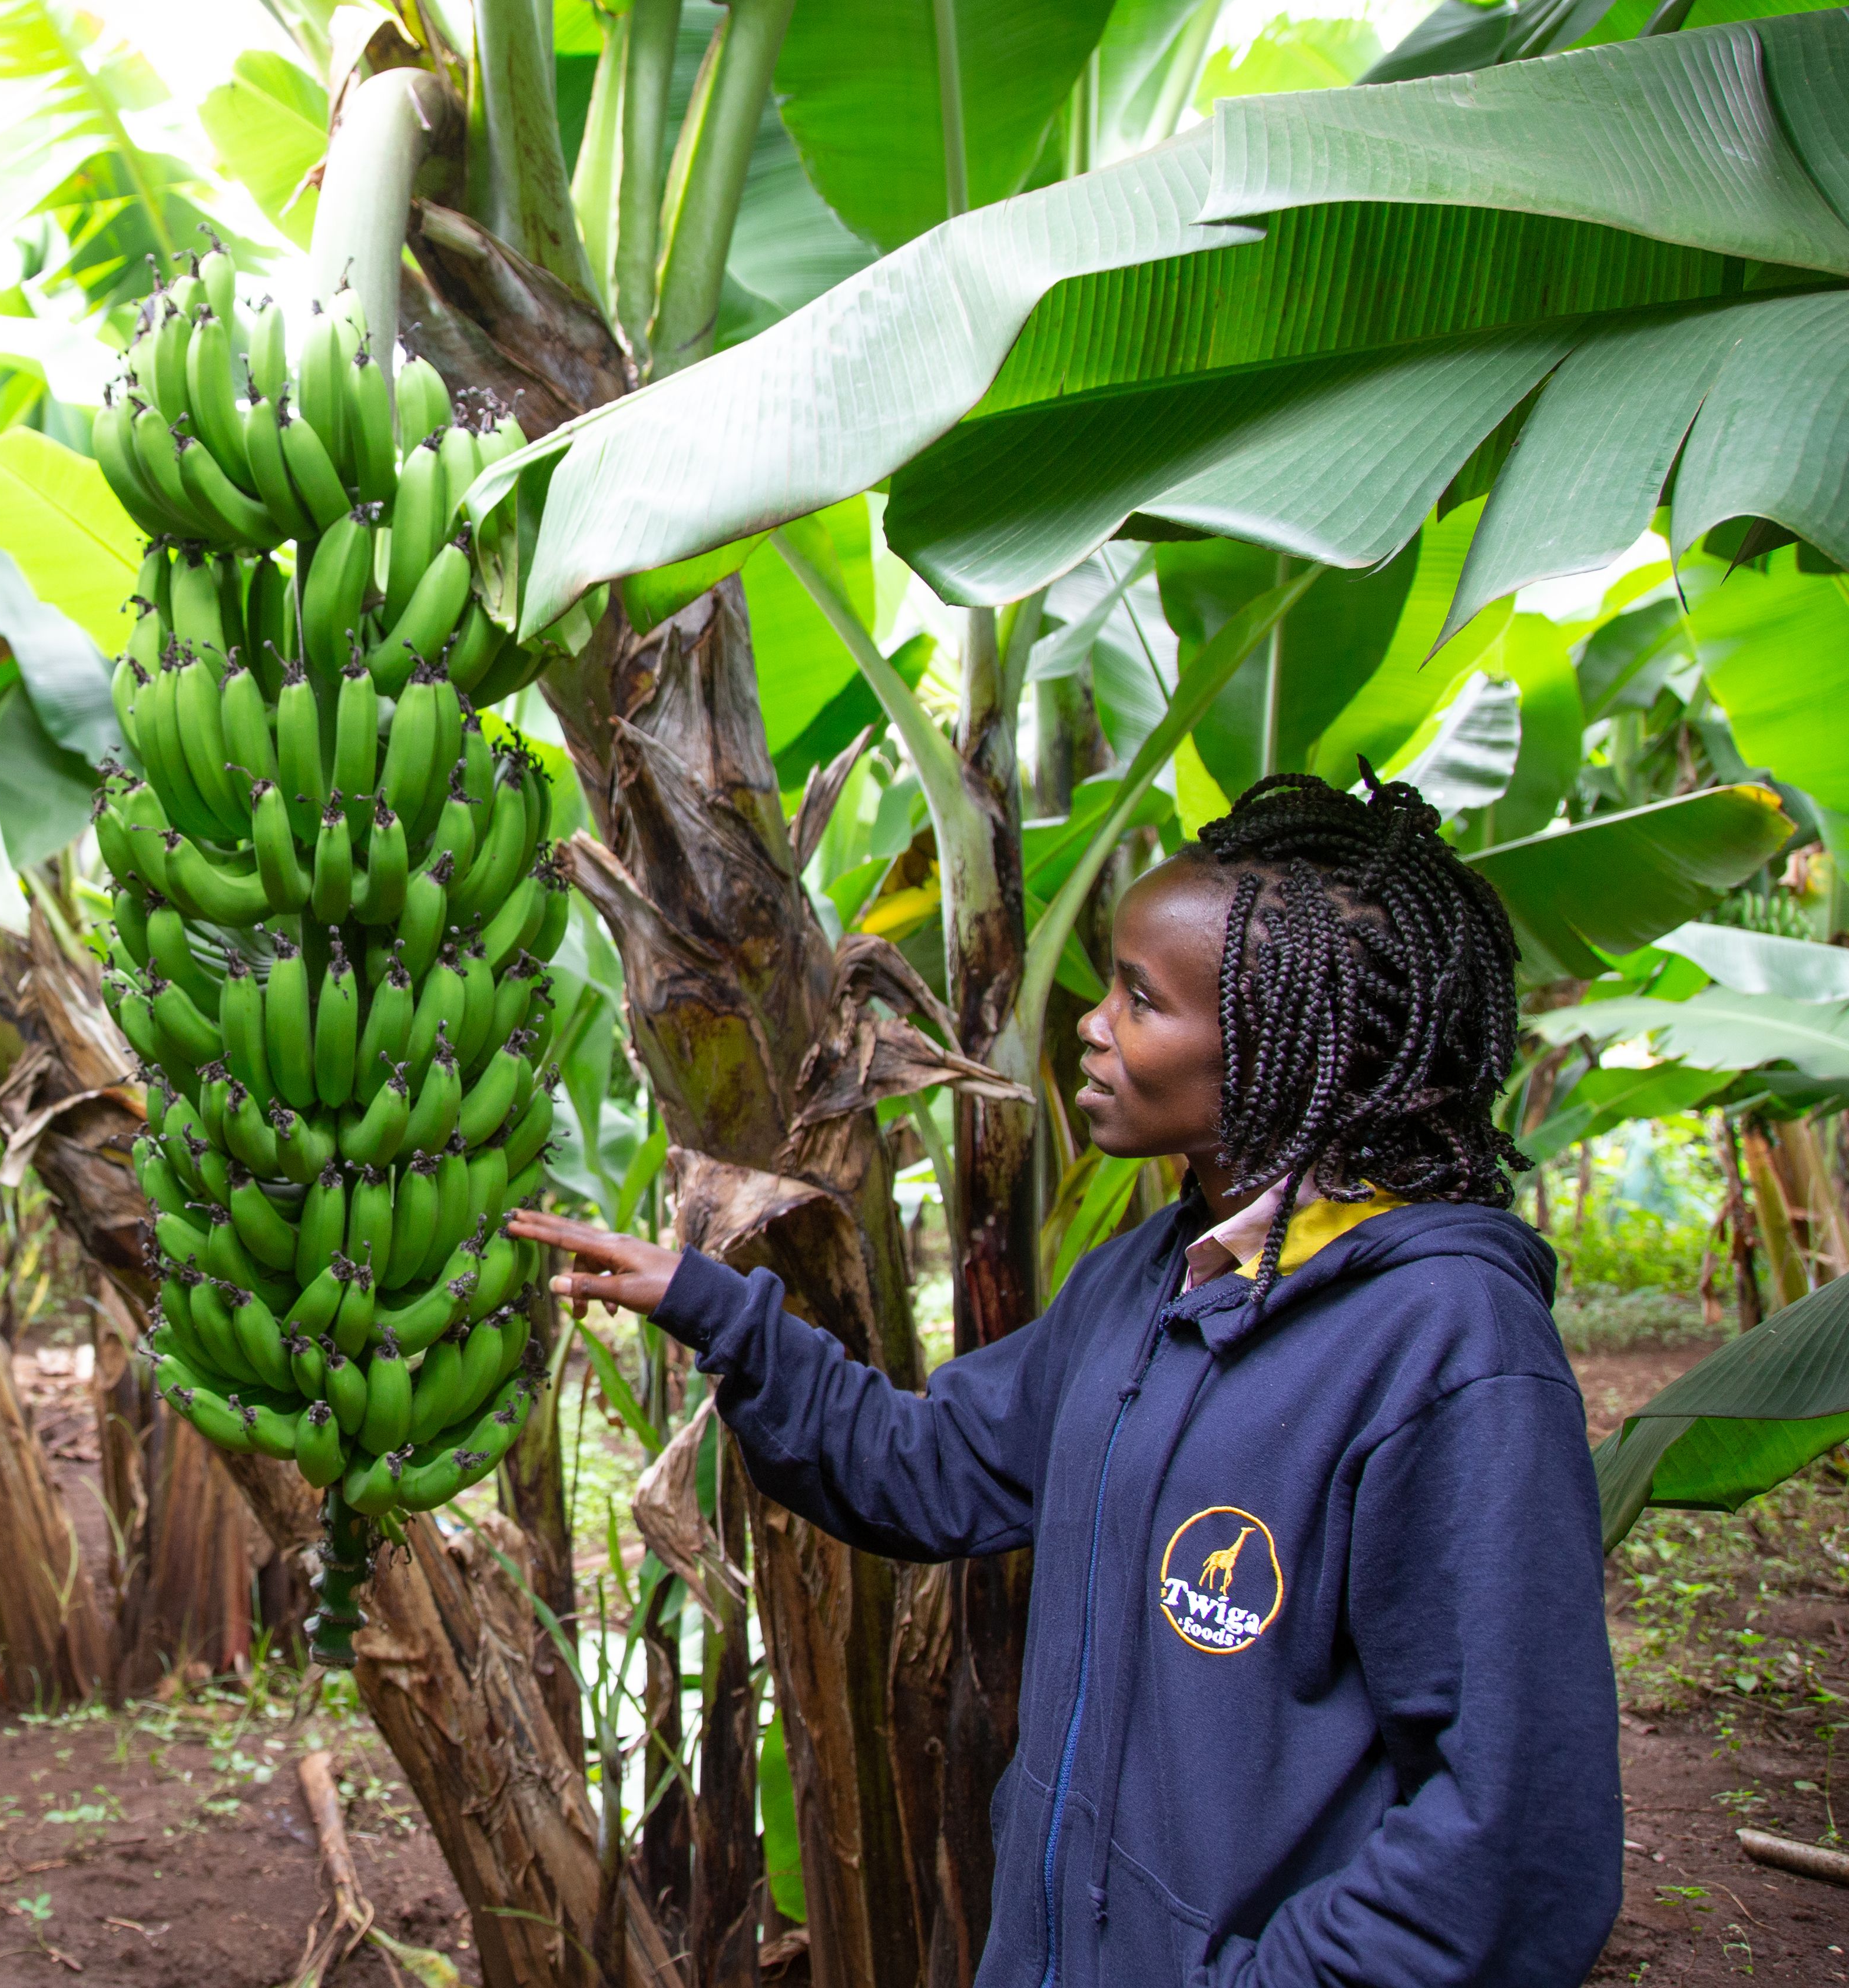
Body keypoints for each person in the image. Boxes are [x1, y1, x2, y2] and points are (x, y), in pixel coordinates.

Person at [513, 773, 1621, 1988]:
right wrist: (711, 1304)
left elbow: (1511, 1843)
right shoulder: (1146, 1285)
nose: (1091, 1024)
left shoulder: (1448, 1347)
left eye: (1141, 1001)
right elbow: (928, 1468)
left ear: (1285, 1055)